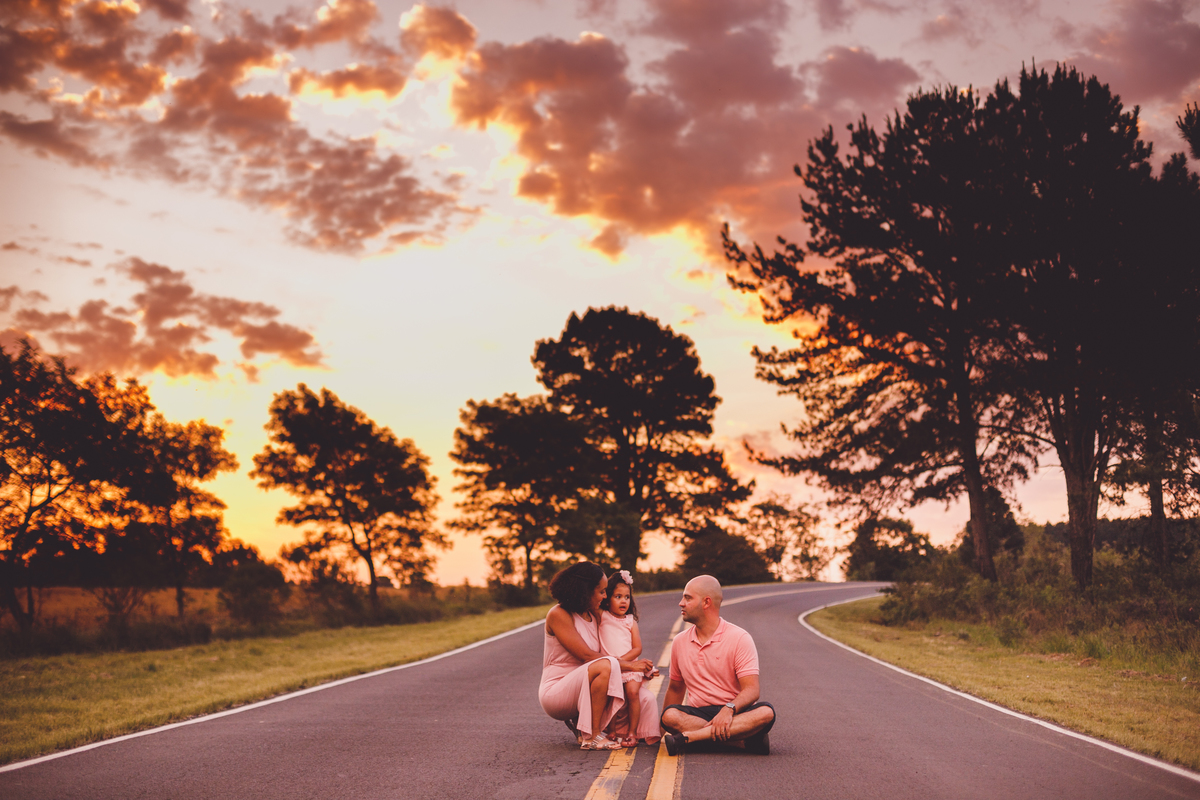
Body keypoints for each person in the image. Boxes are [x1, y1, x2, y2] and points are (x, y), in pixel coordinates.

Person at [539, 562, 657, 750]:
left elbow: (618, 633)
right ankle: (591, 736)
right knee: (604, 664)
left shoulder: (594, 615)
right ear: (586, 590)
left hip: (588, 682)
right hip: (558, 691)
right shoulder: (558, 614)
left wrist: (643, 667)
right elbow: (587, 656)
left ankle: (627, 731)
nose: (605, 596)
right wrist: (632, 665)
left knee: (645, 698)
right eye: (602, 591)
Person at [659, 575, 776, 756]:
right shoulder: (679, 642)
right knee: (669, 716)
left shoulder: (739, 638)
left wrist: (728, 709)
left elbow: (752, 690)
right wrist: (661, 731)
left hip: (736, 712)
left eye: (688, 598)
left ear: (706, 602)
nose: (681, 603)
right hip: (699, 713)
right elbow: (675, 689)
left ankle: (690, 738)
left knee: (766, 713)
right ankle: (740, 740)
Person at [598, 569, 660, 746]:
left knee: (632, 693)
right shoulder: (602, 617)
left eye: (626, 597)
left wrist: (622, 661)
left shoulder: (630, 621)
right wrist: (615, 664)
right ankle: (612, 731)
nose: (623, 601)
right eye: (617, 596)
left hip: (629, 665)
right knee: (613, 694)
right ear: (608, 598)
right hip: (611, 667)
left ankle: (632, 732)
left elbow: (637, 647)